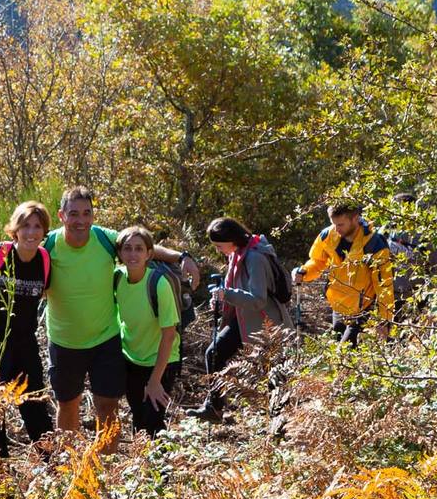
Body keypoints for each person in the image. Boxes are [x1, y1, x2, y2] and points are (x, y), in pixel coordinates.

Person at [43, 185, 198, 432]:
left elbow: (139, 245)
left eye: (86, 213)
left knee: (108, 405)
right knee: (68, 404)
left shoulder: (104, 238)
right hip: (64, 342)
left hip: (105, 340)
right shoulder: (48, 245)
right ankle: (69, 464)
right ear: (61, 215)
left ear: (93, 215)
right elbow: (20, 255)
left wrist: (181, 256)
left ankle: (106, 467)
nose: (80, 220)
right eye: (73, 214)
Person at [0, 201, 55, 455]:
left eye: (37, 226)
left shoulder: (44, 261)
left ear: (44, 231)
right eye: (25, 225)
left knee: (35, 405)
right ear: (14, 229)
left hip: (24, 347)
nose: (31, 232)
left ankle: (53, 467)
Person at [190, 216, 291, 419]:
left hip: (266, 322)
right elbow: (236, 289)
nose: (218, 250)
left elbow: (258, 299)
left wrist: (226, 294)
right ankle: (214, 407)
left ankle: (280, 421)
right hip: (243, 318)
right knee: (214, 353)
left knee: (273, 372)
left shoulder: (255, 258)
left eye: (219, 245)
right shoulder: (237, 254)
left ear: (232, 239)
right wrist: (221, 300)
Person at [113, 226, 182, 436]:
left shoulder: (159, 284)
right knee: (138, 417)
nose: (133, 254)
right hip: (132, 359)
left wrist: (154, 381)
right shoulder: (116, 278)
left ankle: (161, 467)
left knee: (152, 422)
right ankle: (141, 465)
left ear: (149, 254)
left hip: (161, 361)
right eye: (127, 248)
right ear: (120, 253)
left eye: (139, 249)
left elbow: (169, 335)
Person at [295, 201, 395, 345]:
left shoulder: (375, 243)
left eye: (340, 224)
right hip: (338, 307)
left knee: (344, 352)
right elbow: (317, 261)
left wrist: (384, 320)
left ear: (355, 218)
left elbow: (384, 285)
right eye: (333, 224)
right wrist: (304, 272)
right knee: (338, 354)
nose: (336, 229)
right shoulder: (327, 235)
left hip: (364, 310)